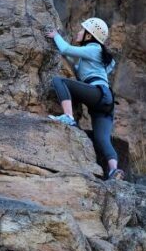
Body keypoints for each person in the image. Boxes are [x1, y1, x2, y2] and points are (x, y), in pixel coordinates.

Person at [45, 17, 123, 181]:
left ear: (89, 35)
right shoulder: (95, 54)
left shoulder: (94, 49)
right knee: (102, 139)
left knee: (59, 81)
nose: (79, 32)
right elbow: (76, 62)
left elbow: (66, 49)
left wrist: (55, 35)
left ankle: (68, 117)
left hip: (98, 93)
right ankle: (114, 170)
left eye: (83, 30)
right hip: (106, 101)